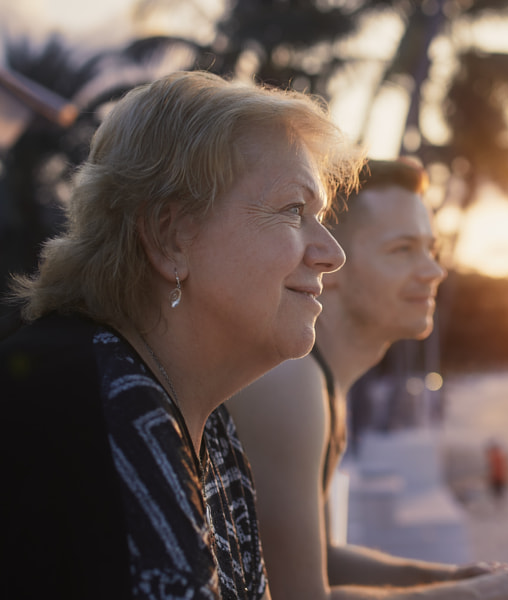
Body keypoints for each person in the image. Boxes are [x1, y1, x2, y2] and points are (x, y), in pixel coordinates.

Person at [1, 70, 364, 599]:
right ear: (171, 236)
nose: (332, 253)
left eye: (322, 217)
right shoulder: (94, 410)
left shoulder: (197, 419)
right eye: (293, 211)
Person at [228, 159, 508, 600]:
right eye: (403, 250)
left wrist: (444, 578)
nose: (432, 271)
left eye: (431, 249)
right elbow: (300, 596)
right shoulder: (291, 380)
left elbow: (317, 558)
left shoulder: (322, 384)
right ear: (328, 264)